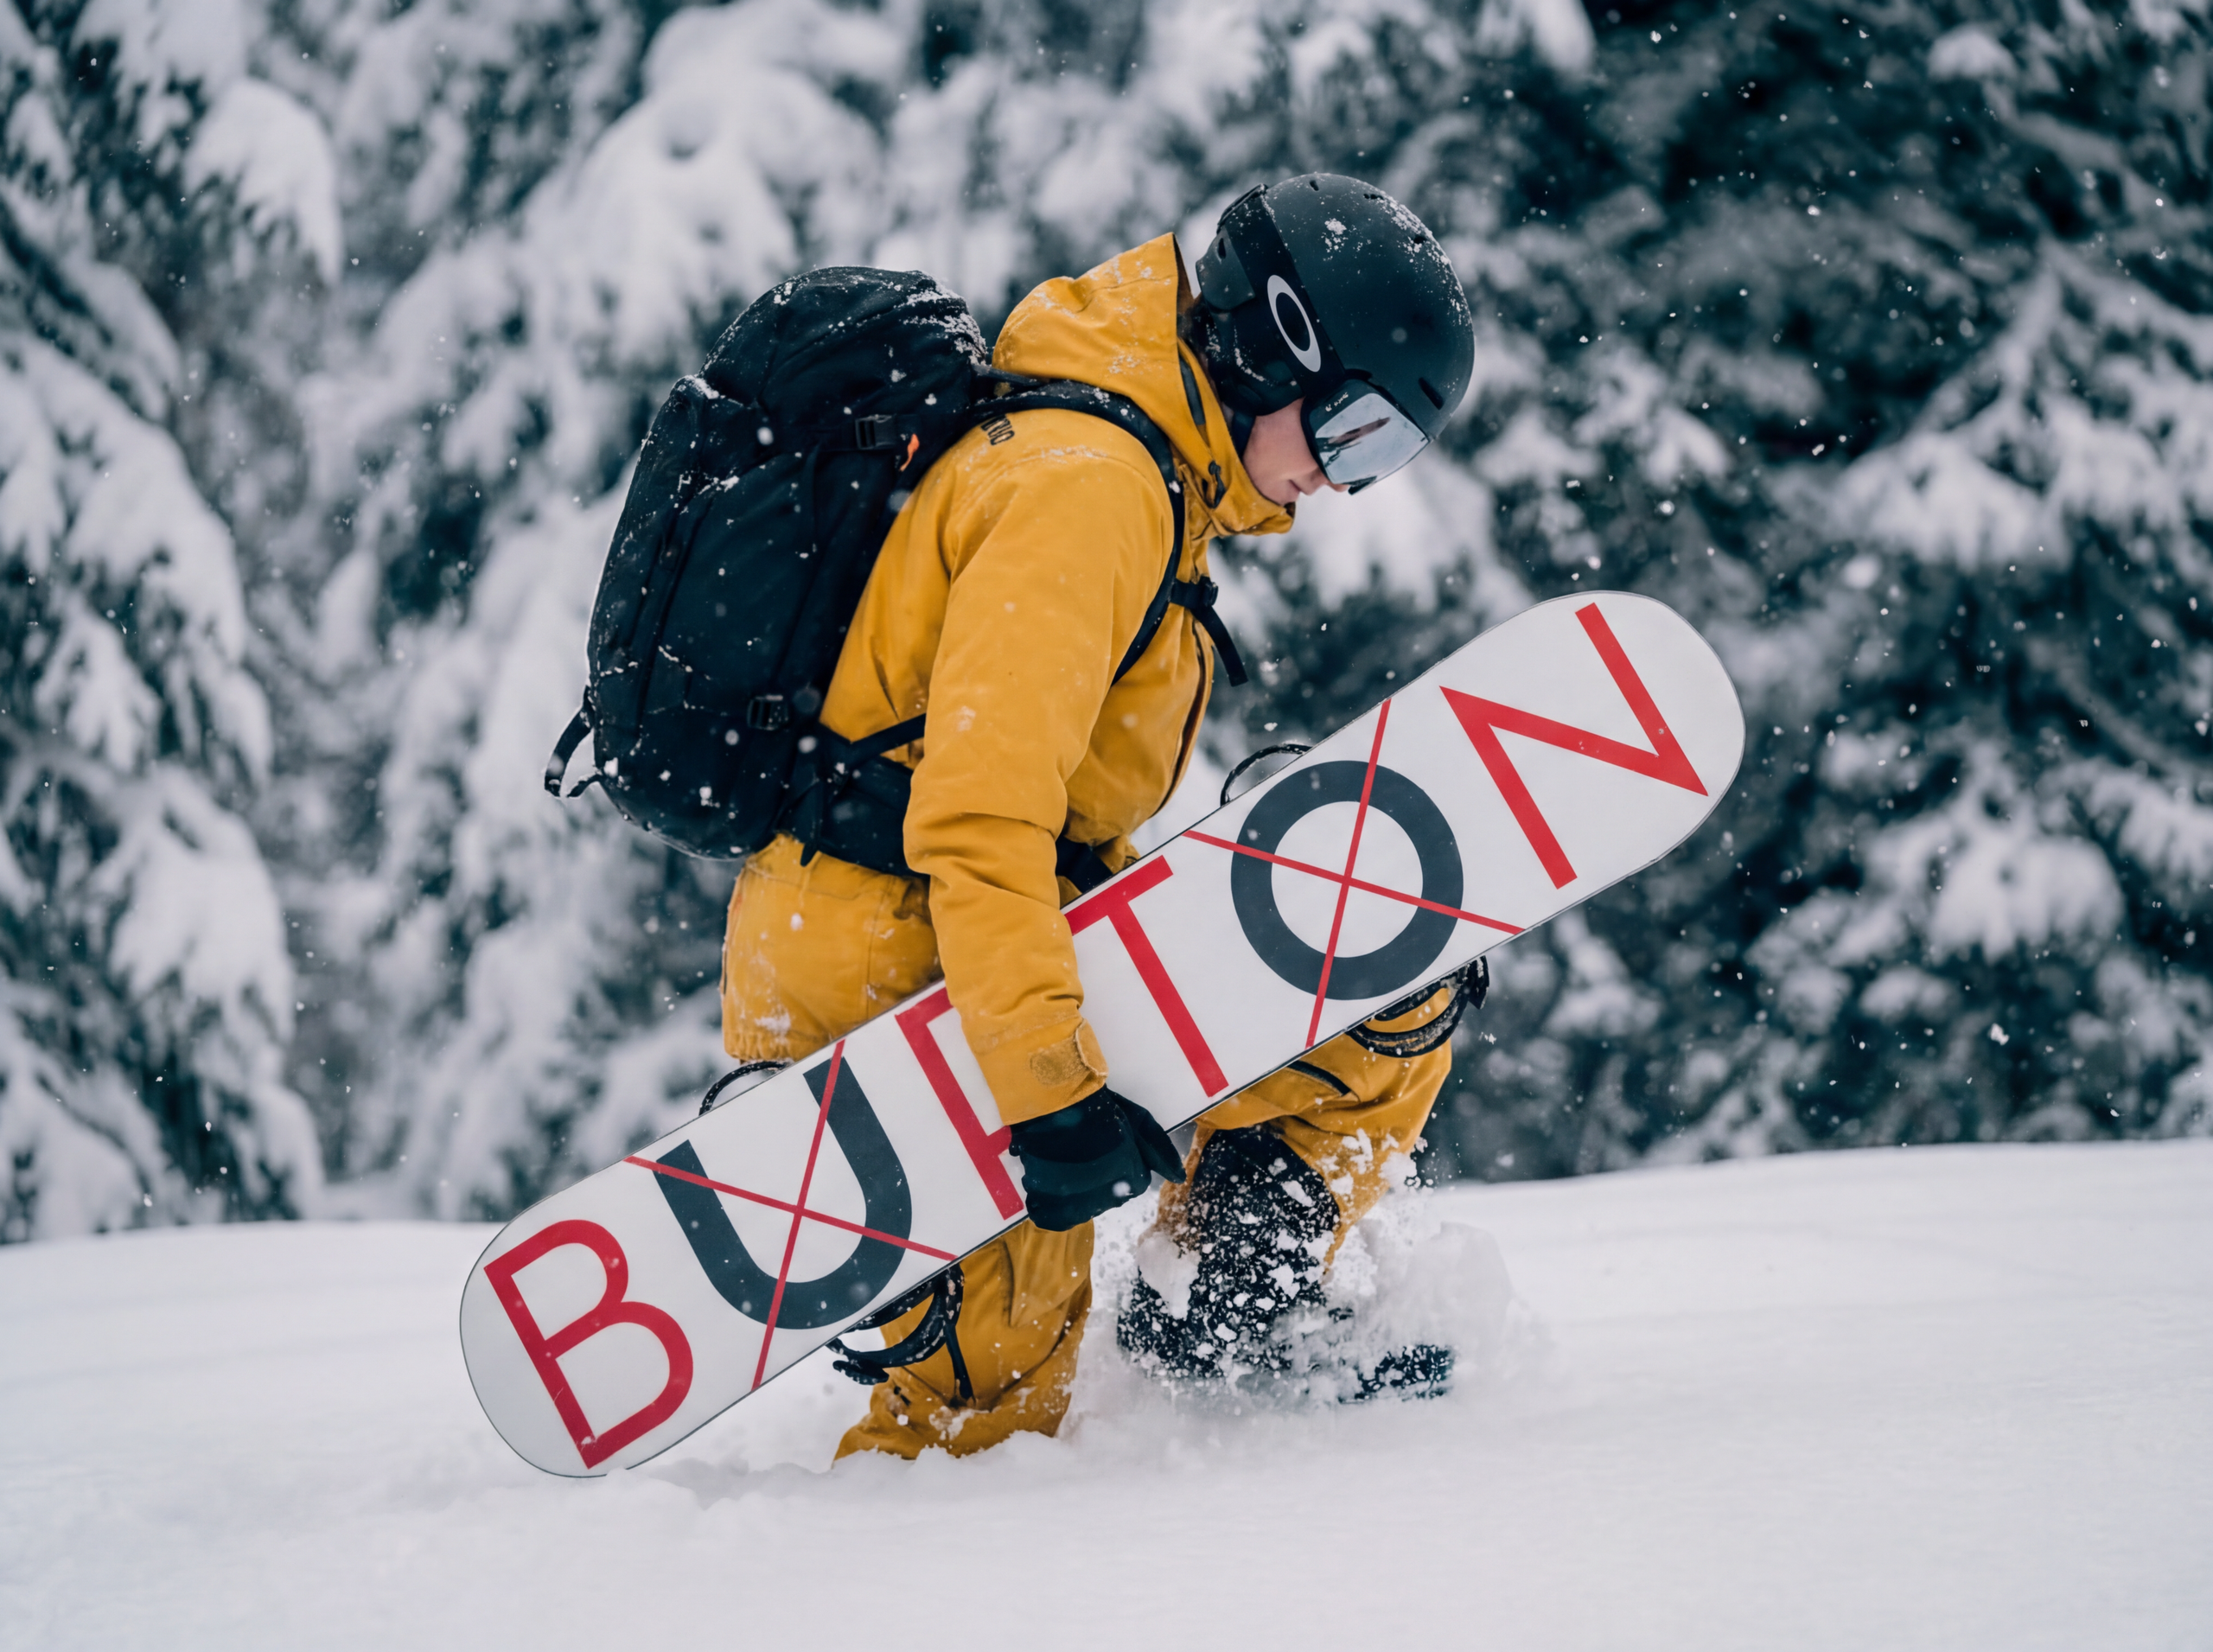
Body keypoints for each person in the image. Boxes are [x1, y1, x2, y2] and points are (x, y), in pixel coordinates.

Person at [719, 174, 1477, 1459]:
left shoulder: (1140, 465)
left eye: (1386, 457)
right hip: (907, 961)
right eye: (1353, 433)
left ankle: (1220, 1311)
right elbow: (978, 817)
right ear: (1268, 343)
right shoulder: (1093, 487)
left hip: (1000, 935)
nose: (1348, 483)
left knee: (1381, 1006)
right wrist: (1045, 1091)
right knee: (985, 1424)